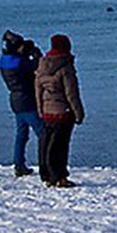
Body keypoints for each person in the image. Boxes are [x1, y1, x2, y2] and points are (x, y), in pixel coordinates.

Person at [34, 33, 84, 187]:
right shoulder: (66, 67)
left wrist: (40, 110)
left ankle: (47, 175)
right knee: (61, 146)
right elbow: (71, 93)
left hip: (47, 112)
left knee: (46, 144)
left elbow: (38, 91)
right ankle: (60, 176)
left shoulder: (42, 65)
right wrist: (79, 113)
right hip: (63, 112)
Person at [0, 31, 42, 177]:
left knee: (21, 134)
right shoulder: (20, 62)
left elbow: (21, 67)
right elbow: (36, 66)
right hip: (27, 100)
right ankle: (46, 164)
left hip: (15, 100)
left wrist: (24, 53)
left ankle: (19, 164)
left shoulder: (4, 60)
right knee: (42, 133)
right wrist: (36, 53)